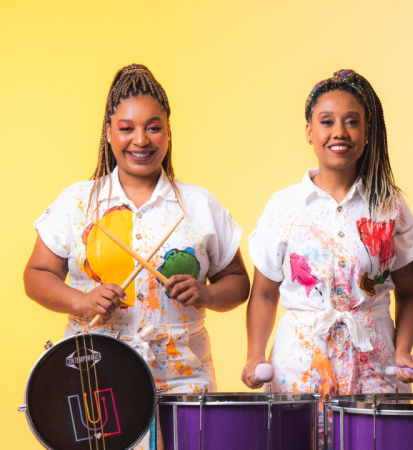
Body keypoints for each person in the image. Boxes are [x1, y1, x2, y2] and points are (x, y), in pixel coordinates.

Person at [24, 64, 250, 448]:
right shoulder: (78, 202)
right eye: (126, 128)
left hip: (183, 378)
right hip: (96, 378)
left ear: (168, 131)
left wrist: (207, 294)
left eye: (154, 126)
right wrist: (81, 299)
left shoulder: (198, 204)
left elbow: (239, 282)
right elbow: (36, 275)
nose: (141, 140)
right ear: (109, 133)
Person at [241, 70, 413, 400]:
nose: (339, 132)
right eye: (327, 122)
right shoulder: (284, 206)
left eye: (351, 121)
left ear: (367, 132)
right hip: (299, 367)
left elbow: (411, 293)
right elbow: (265, 294)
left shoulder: (390, 206)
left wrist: (402, 350)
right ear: (310, 131)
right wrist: (255, 354)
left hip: (375, 367)